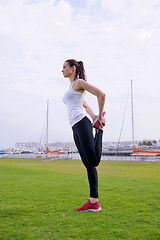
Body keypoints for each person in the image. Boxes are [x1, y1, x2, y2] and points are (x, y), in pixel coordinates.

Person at [62, 59, 106, 212]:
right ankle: (93, 202)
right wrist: (94, 115)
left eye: (64, 67)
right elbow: (85, 104)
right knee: (88, 164)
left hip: (82, 123)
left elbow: (101, 94)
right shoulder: (72, 86)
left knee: (93, 161)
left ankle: (99, 131)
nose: (62, 70)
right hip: (75, 126)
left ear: (73, 68)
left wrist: (99, 117)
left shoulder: (79, 82)